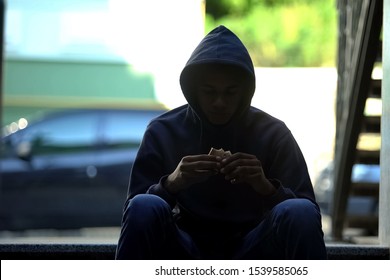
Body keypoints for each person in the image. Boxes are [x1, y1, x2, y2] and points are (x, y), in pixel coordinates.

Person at [115, 25, 327, 260]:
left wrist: (265, 186)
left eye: (230, 93)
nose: (219, 102)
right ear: (194, 91)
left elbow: (308, 212)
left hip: (255, 246)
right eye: (209, 92)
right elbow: (132, 212)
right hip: (183, 247)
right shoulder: (162, 131)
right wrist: (172, 183)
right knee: (144, 205)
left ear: (245, 91)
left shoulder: (273, 133)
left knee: (300, 210)